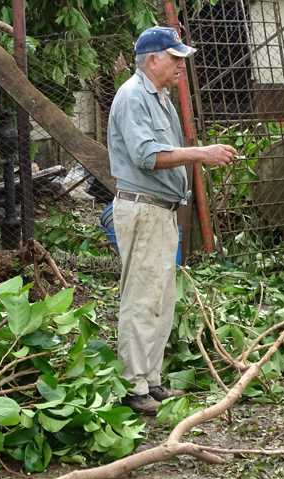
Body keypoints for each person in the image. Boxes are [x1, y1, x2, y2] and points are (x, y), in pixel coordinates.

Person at [108, 26, 237, 415]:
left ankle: (152, 380)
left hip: (160, 210)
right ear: (152, 60)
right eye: (175, 57)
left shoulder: (159, 98)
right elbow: (148, 156)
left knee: (161, 298)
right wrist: (201, 153)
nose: (182, 64)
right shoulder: (133, 97)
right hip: (143, 208)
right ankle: (134, 386)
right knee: (142, 297)